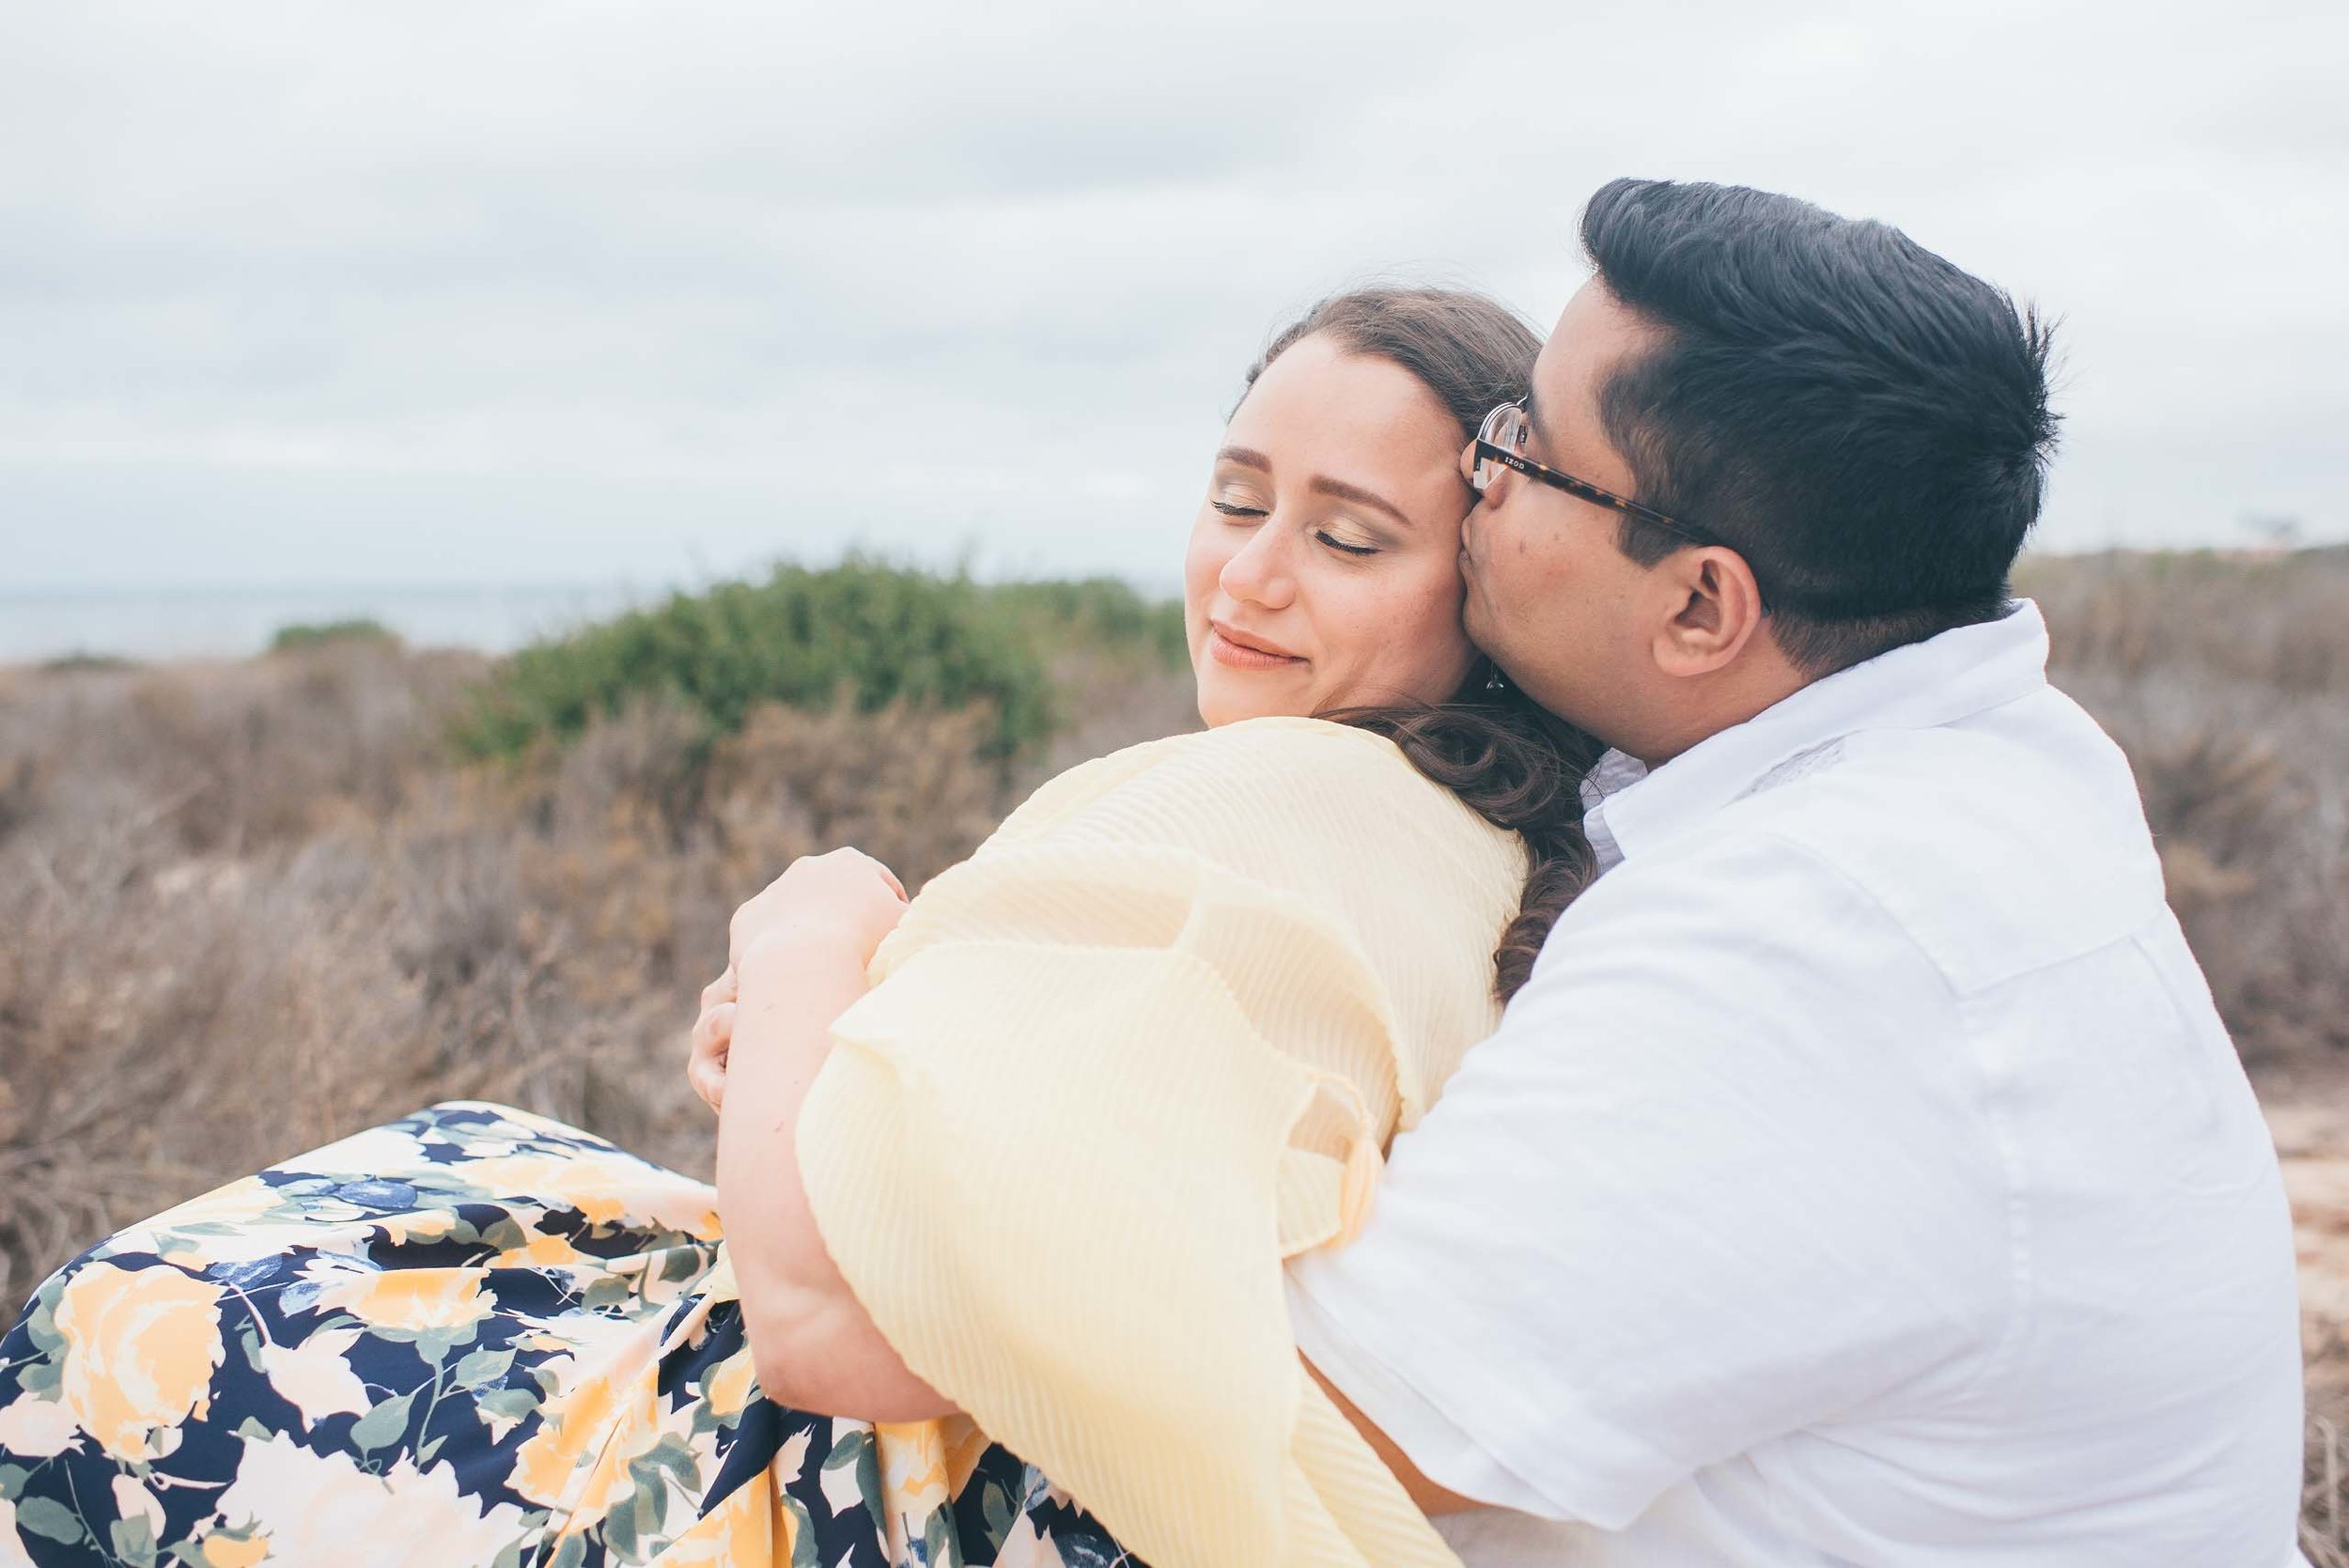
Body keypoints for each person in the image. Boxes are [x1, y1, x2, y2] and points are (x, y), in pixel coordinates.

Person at [0, 288, 1595, 1566]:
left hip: (856, 1490)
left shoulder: (1262, 830)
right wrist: (818, 1050)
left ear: (1493, 587)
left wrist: (804, 925)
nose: (1247, 575)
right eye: (1236, 497)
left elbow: (832, 1324)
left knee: (141, 1321)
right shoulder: (1471, 840)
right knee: (467, 1156)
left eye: (1346, 536)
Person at [1282, 180, 2310, 1566]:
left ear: (1703, 605)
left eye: (1530, 444)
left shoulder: (1810, 939)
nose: (1477, 464)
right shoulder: (1998, 754)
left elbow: (1311, 1421)